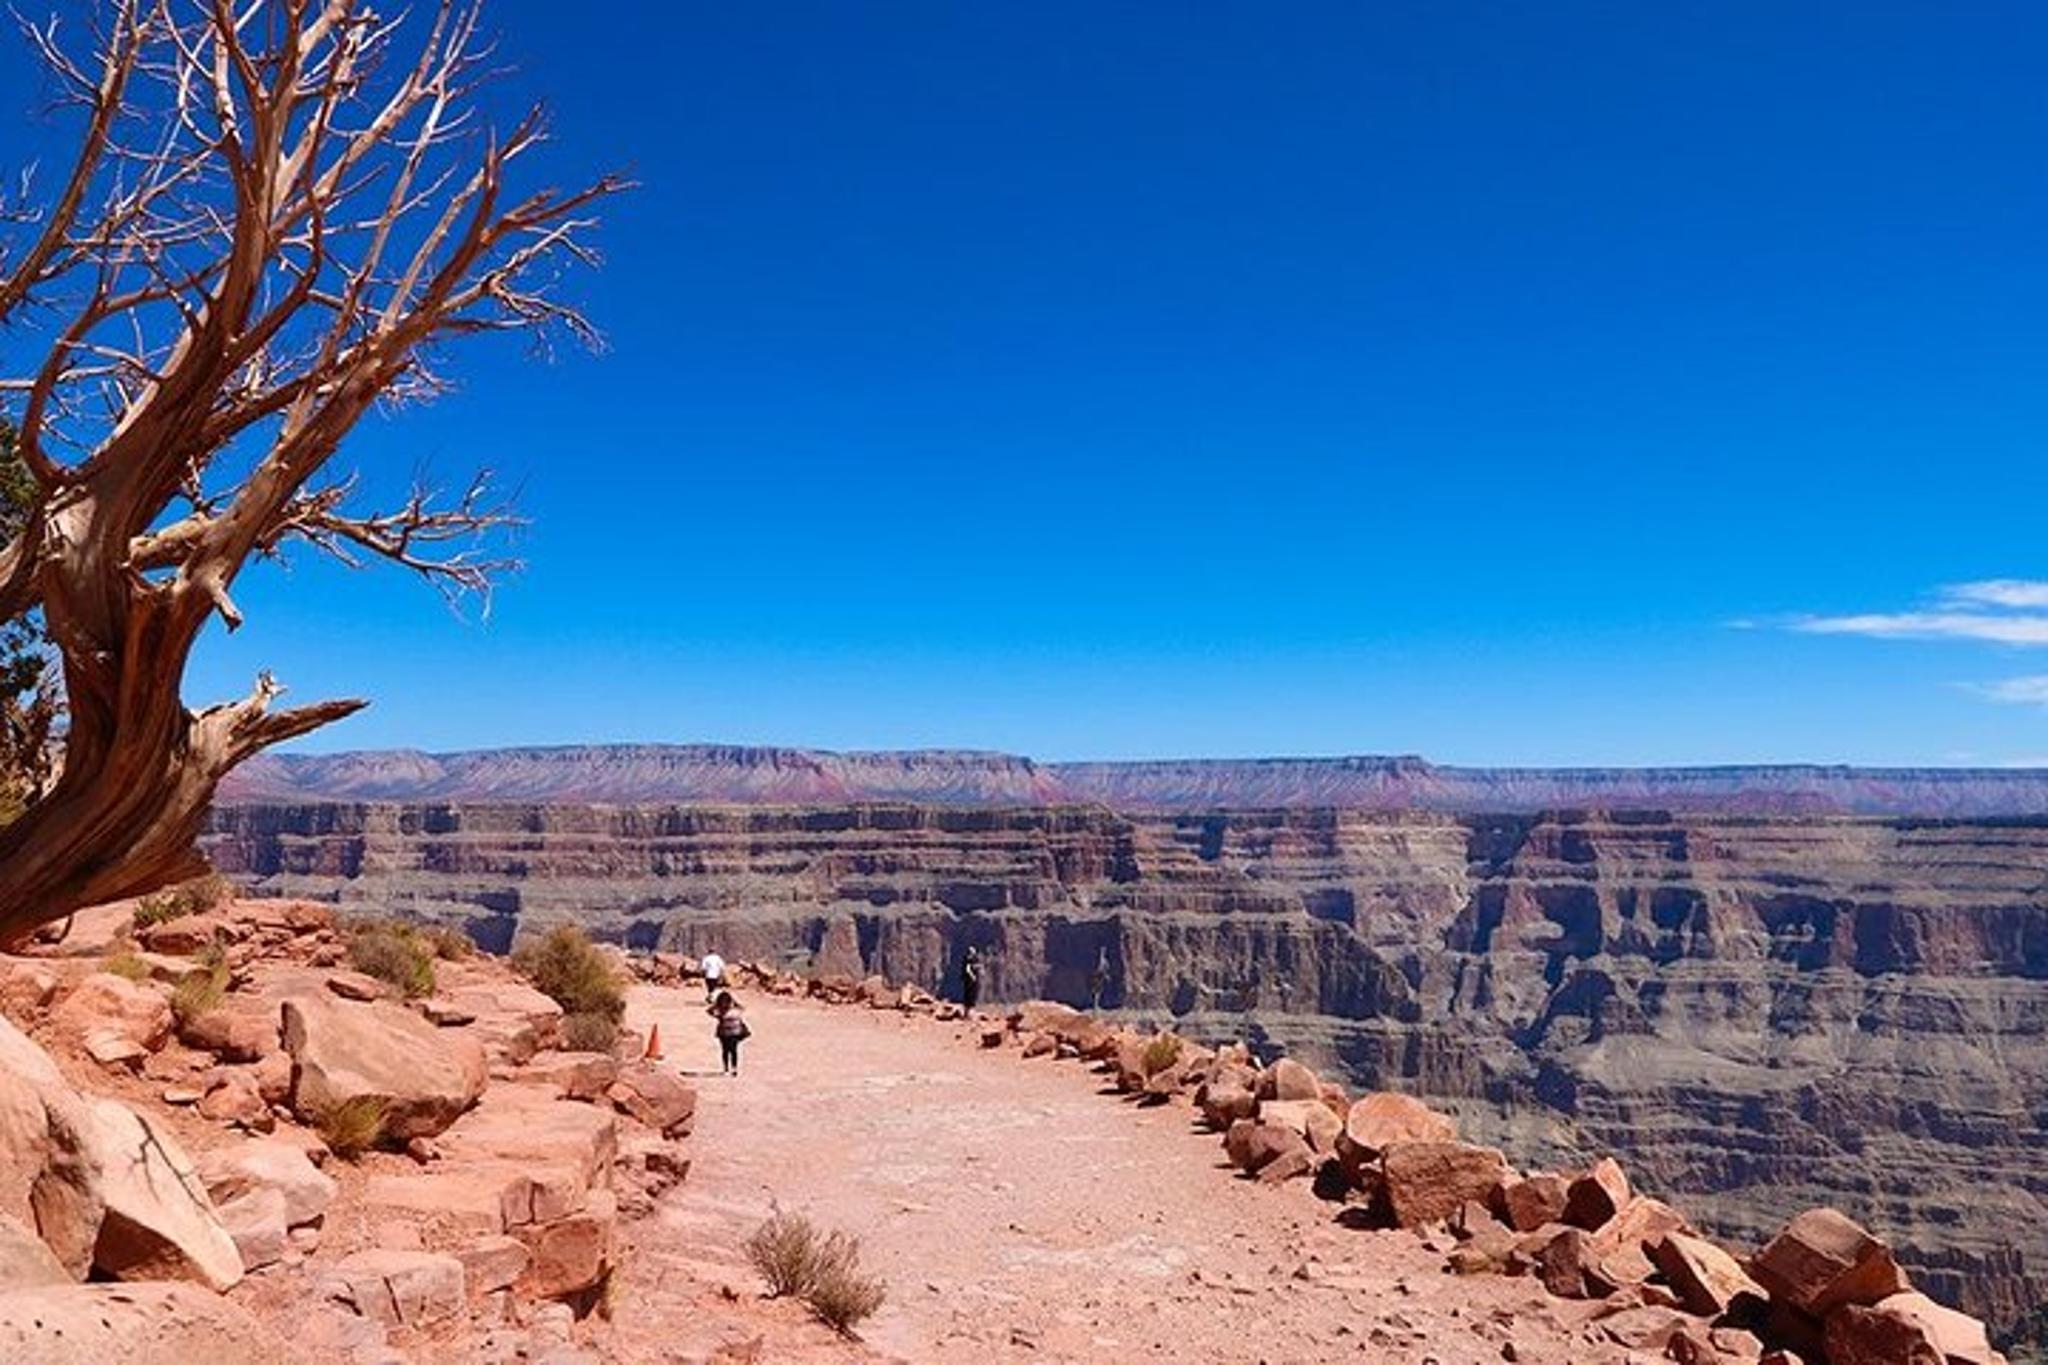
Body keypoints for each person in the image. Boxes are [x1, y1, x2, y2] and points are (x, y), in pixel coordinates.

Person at [708, 988, 749, 1076]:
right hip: (733, 1033)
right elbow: (742, 1008)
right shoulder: (733, 1011)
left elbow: (710, 1011)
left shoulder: (722, 1012)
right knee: (732, 1051)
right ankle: (732, 1068)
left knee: (727, 1051)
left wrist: (716, 1005)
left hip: (727, 1033)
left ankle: (728, 1068)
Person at [960, 945, 984, 1011]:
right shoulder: (968, 959)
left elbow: (979, 967)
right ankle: (968, 1012)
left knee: (972, 995)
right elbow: (967, 969)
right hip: (969, 981)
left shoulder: (974, 960)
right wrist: (972, 976)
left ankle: (968, 1011)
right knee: (969, 995)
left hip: (972, 981)